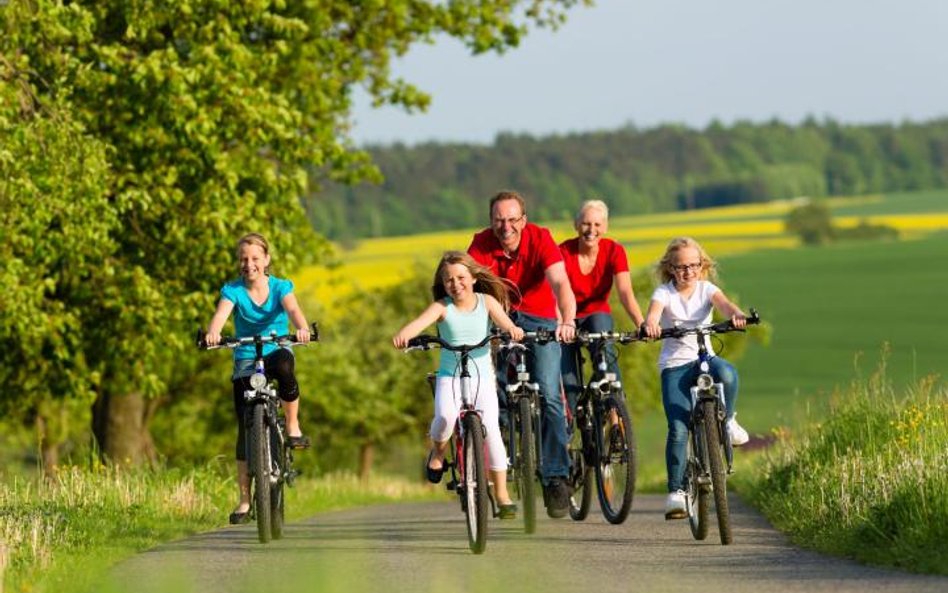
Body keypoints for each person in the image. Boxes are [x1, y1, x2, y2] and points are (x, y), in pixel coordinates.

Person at [467, 190, 577, 519]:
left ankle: (556, 476)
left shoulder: (541, 238)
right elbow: (467, 286)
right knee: (489, 392)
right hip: (499, 317)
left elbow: (560, 283)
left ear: (523, 220)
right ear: (491, 221)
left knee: (550, 394)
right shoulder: (481, 244)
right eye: (499, 220)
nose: (506, 226)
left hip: (541, 317)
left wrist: (567, 320)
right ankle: (496, 462)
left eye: (513, 219)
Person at [392, 251, 525, 519]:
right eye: (449, 280)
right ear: (443, 284)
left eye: (461, 277)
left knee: (493, 434)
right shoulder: (442, 307)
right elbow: (418, 324)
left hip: (482, 378)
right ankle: (438, 453)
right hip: (450, 376)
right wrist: (405, 335)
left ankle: (501, 494)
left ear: (474, 278)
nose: (456, 284)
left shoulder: (487, 302)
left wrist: (513, 330)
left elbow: (505, 323)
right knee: (445, 417)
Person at [204, 233, 313, 525]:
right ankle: (243, 500)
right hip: (246, 357)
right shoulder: (233, 290)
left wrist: (302, 328)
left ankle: (291, 425)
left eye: (254, 258)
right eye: (243, 259)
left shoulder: (280, 286)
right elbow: (221, 315)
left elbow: (293, 310)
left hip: (277, 348)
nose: (249, 264)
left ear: (266, 260)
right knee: (244, 426)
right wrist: (213, 333)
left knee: (286, 369)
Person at [642, 236, 750, 520]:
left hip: (704, 359)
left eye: (694, 265)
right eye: (681, 267)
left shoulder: (707, 289)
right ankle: (676, 492)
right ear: (670, 268)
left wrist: (737, 316)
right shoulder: (664, 293)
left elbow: (724, 305)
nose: (688, 271)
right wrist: (651, 325)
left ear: (702, 266)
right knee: (678, 428)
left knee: (727, 372)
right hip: (675, 366)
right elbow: (653, 314)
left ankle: (727, 422)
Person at [559, 199, 645, 414]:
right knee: (567, 375)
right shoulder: (562, 251)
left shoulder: (614, 251)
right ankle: (571, 424)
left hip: (595, 313)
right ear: (576, 225)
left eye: (597, 225)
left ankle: (615, 410)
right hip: (564, 318)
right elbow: (554, 291)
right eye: (586, 224)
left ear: (605, 227)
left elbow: (625, 292)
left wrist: (641, 323)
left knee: (604, 343)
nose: (591, 230)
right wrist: (562, 323)